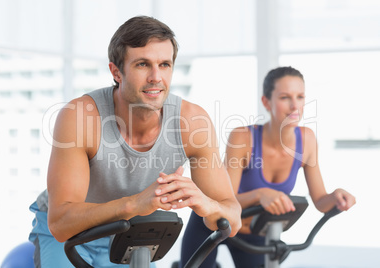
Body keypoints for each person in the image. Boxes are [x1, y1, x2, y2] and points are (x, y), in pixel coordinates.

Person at [28, 15, 241, 268]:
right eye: (142, 64)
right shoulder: (80, 117)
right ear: (116, 71)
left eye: (164, 64)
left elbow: (233, 219)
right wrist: (135, 203)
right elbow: (61, 224)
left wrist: (206, 204)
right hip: (70, 236)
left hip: (130, 233)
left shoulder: (192, 122)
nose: (156, 77)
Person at [179, 66, 356, 268]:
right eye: (284, 97)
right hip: (213, 224)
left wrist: (335, 197)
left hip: (253, 233)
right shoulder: (243, 137)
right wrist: (260, 194)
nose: (294, 106)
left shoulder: (307, 140)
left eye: (300, 97)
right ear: (266, 102)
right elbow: (224, 201)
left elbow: (320, 202)